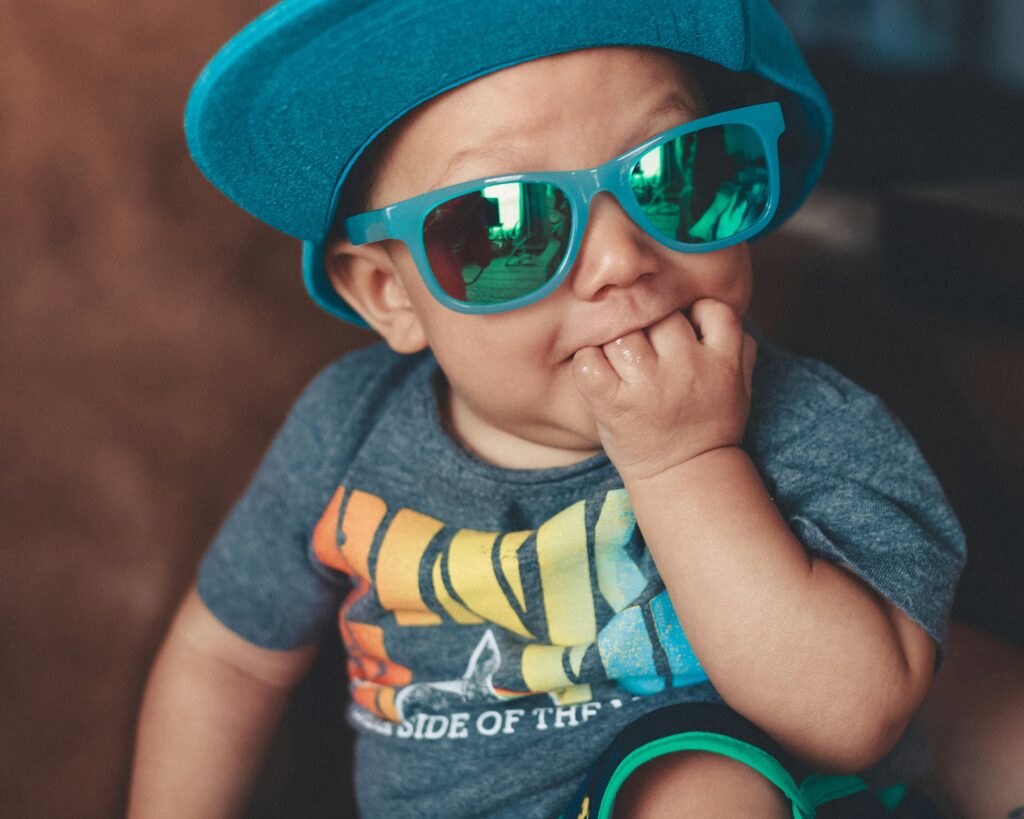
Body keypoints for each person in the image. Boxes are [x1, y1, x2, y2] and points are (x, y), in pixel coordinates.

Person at [128, 2, 1024, 817]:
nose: (619, 259)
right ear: (387, 293)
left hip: (748, 777)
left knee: (714, 784)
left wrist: (685, 464)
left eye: (675, 173)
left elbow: (850, 717)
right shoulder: (346, 432)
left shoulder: (802, 421)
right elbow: (229, 656)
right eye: (505, 227)